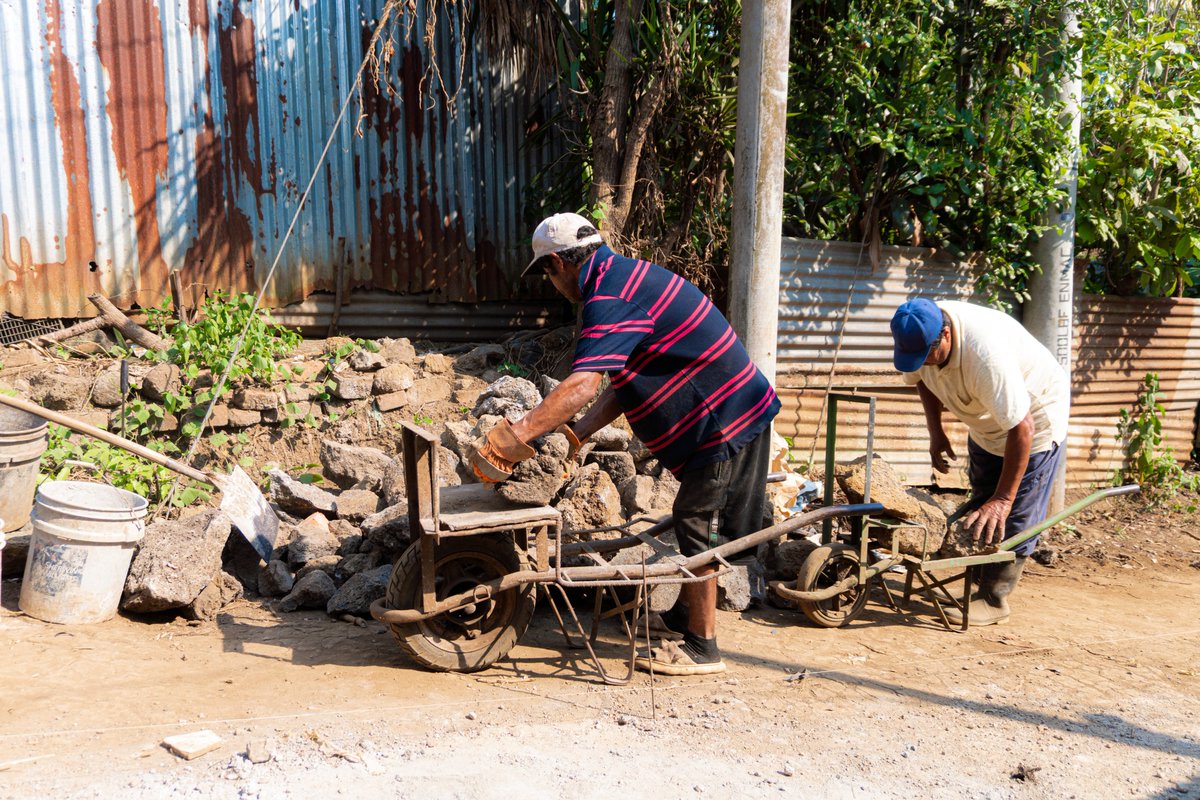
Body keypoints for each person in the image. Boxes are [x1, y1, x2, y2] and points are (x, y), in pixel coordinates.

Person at [470, 212, 780, 675]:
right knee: (694, 517)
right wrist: (577, 434)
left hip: (725, 418)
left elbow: (583, 385)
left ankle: (702, 647)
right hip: (727, 409)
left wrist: (515, 436)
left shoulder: (610, 295)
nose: (553, 284)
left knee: (698, 522)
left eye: (548, 275)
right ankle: (684, 617)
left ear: (558, 264)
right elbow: (623, 384)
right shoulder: (620, 278)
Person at [890, 297, 1070, 626]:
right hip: (988, 422)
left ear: (946, 335)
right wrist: (936, 432)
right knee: (981, 501)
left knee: (1012, 513)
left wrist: (1003, 499)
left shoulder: (986, 356)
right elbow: (922, 379)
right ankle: (976, 586)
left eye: (927, 355)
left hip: (1035, 424)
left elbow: (1022, 428)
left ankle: (993, 599)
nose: (922, 361)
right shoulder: (919, 333)